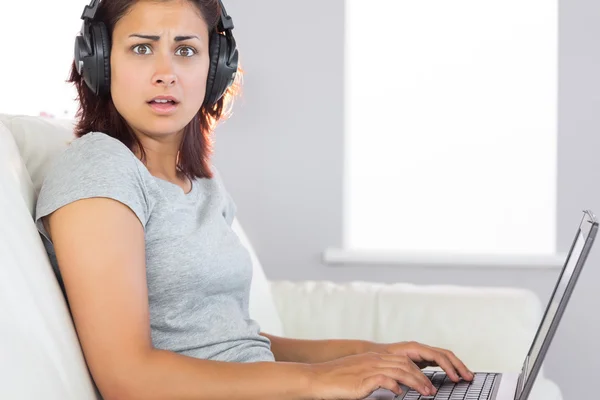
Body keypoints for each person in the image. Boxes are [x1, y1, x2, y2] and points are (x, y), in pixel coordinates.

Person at [34, 1, 474, 399]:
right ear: (99, 61)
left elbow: (238, 344)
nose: (165, 71)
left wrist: (371, 354)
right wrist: (319, 379)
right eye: (142, 48)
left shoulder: (201, 183)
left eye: (185, 50)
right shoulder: (99, 169)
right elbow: (128, 378)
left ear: (217, 68)